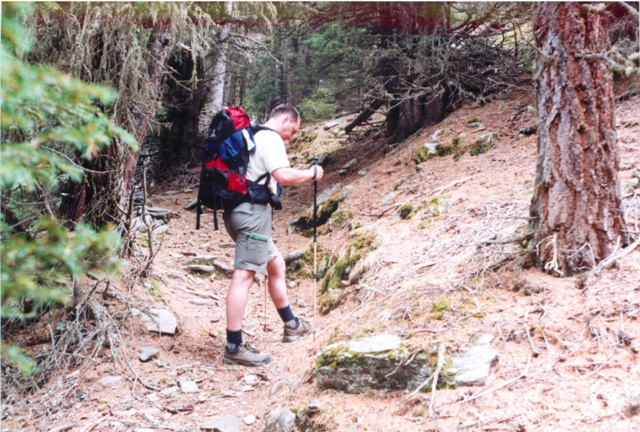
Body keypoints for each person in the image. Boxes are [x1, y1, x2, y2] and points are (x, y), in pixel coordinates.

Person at [222, 104, 324, 367]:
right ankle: (233, 347)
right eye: (294, 129)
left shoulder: (253, 136)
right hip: (252, 216)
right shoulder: (271, 137)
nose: (292, 135)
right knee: (244, 275)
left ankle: (292, 325)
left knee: (275, 264)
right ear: (286, 119)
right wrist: (312, 174)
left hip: (237, 212)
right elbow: (283, 175)